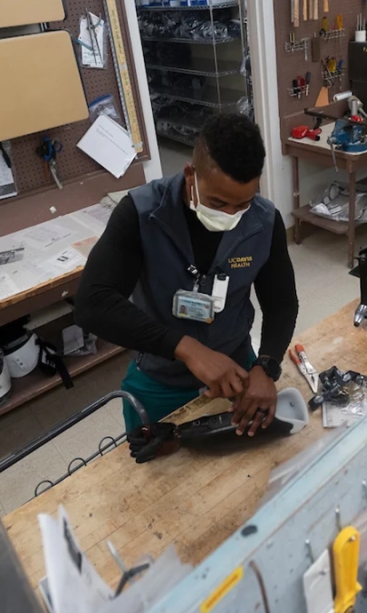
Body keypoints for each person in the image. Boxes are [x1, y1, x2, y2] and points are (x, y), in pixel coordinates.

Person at [74, 114, 298, 437]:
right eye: (218, 202)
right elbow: (92, 303)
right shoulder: (141, 214)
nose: (230, 216)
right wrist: (187, 349)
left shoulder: (264, 221)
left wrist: (267, 366)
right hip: (159, 380)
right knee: (151, 475)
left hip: (238, 376)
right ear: (191, 175)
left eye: (243, 204)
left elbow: (281, 305)